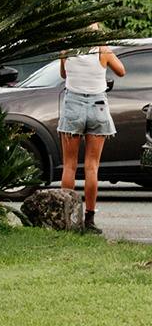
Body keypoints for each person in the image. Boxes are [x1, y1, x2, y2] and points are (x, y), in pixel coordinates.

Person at [60, 27, 125, 230]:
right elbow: (121, 71)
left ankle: (66, 217)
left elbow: (63, 74)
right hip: (98, 106)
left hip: (73, 105)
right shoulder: (102, 50)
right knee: (92, 167)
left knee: (69, 166)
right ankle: (89, 219)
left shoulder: (67, 50)